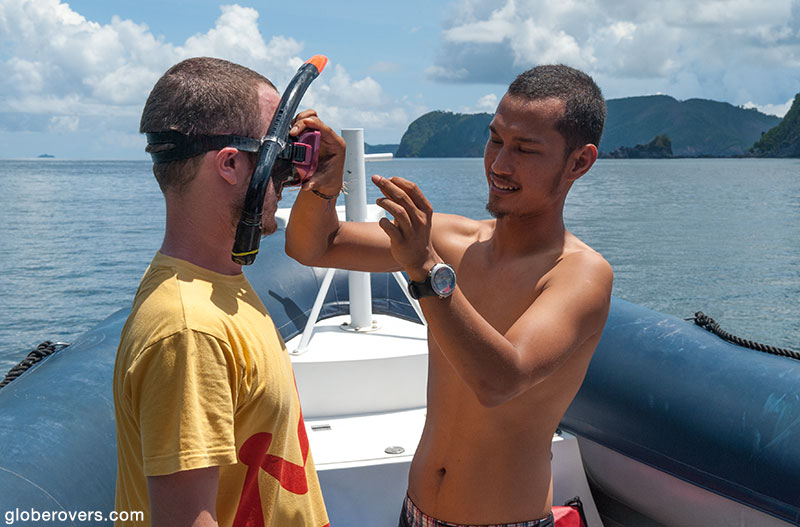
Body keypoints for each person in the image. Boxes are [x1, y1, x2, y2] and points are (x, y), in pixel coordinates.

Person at [285, 64, 613, 527]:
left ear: (579, 162)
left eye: (525, 149)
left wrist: (425, 268)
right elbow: (313, 246)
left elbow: (500, 380)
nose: (499, 164)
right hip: (414, 511)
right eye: (495, 139)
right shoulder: (453, 241)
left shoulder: (579, 274)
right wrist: (325, 181)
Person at [113, 57, 344, 527]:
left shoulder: (216, 285)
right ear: (231, 164)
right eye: (281, 158)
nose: (292, 177)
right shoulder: (191, 331)